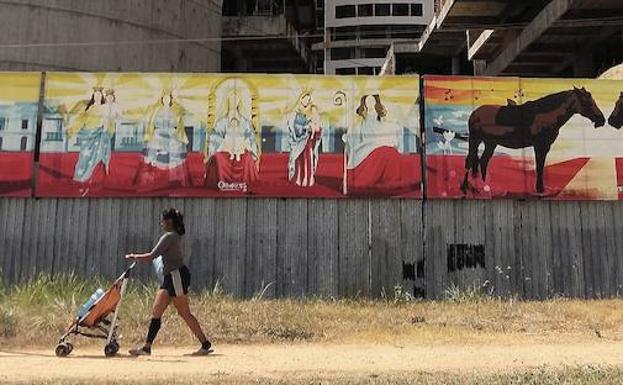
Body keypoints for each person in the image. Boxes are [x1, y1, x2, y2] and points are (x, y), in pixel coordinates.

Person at [124, 208, 212, 356]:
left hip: (176, 276)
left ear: (169, 221)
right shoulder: (173, 236)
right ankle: (147, 347)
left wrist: (135, 256)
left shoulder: (169, 237)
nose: (161, 224)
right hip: (169, 277)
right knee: (156, 311)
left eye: (162, 221)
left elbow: (152, 255)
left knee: (184, 313)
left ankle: (205, 343)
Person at [286, 90, 322, 187]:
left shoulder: (311, 111)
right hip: (298, 140)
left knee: (308, 158)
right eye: (305, 99)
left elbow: (317, 126)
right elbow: (292, 127)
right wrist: (302, 128)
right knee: (298, 159)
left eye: (308, 99)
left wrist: (312, 128)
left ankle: (308, 178)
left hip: (307, 140)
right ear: (301, 99)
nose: (306, 101)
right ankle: (298, 178)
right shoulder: (295, 113)